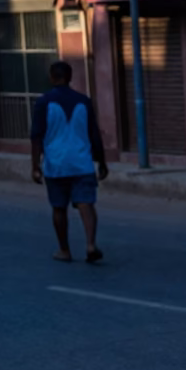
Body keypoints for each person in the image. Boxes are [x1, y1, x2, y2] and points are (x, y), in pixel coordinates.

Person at [30, 61, 108, 263]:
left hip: (56, 164)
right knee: (86, 204)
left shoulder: (43, 102)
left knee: (59, 208)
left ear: (51, 77)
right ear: (70, 77)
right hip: (82, 163)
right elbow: (94, 134)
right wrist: (102, 162)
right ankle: (90, 244)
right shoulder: (84, 101)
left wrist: (35, 167)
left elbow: (36, 137)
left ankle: (64, 250)